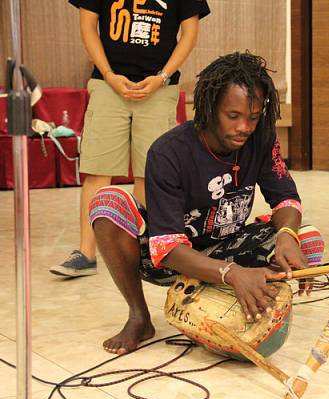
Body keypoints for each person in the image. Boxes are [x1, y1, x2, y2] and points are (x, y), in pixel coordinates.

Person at [88, 52, 323, 355]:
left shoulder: (261, 139)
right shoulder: (168, 152)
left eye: (253, 117)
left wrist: (287, 236)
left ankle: (240, 306)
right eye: (233, 116)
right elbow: (167, 248)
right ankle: (139, 317)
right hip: (172, 259)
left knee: (308, 239)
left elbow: (285, 198)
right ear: (210, 108)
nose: (245, 127)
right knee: (108, 203)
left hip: (228, 247)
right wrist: (231, 273)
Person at [50, 0, 210, 277]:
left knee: (150, 173)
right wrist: (109, 75)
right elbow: (88, 25)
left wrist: (162, 77)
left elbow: (190, 33)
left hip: (159, 88)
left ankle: (139, 252)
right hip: (107, 85)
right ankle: (86, 254)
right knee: (98, 170)